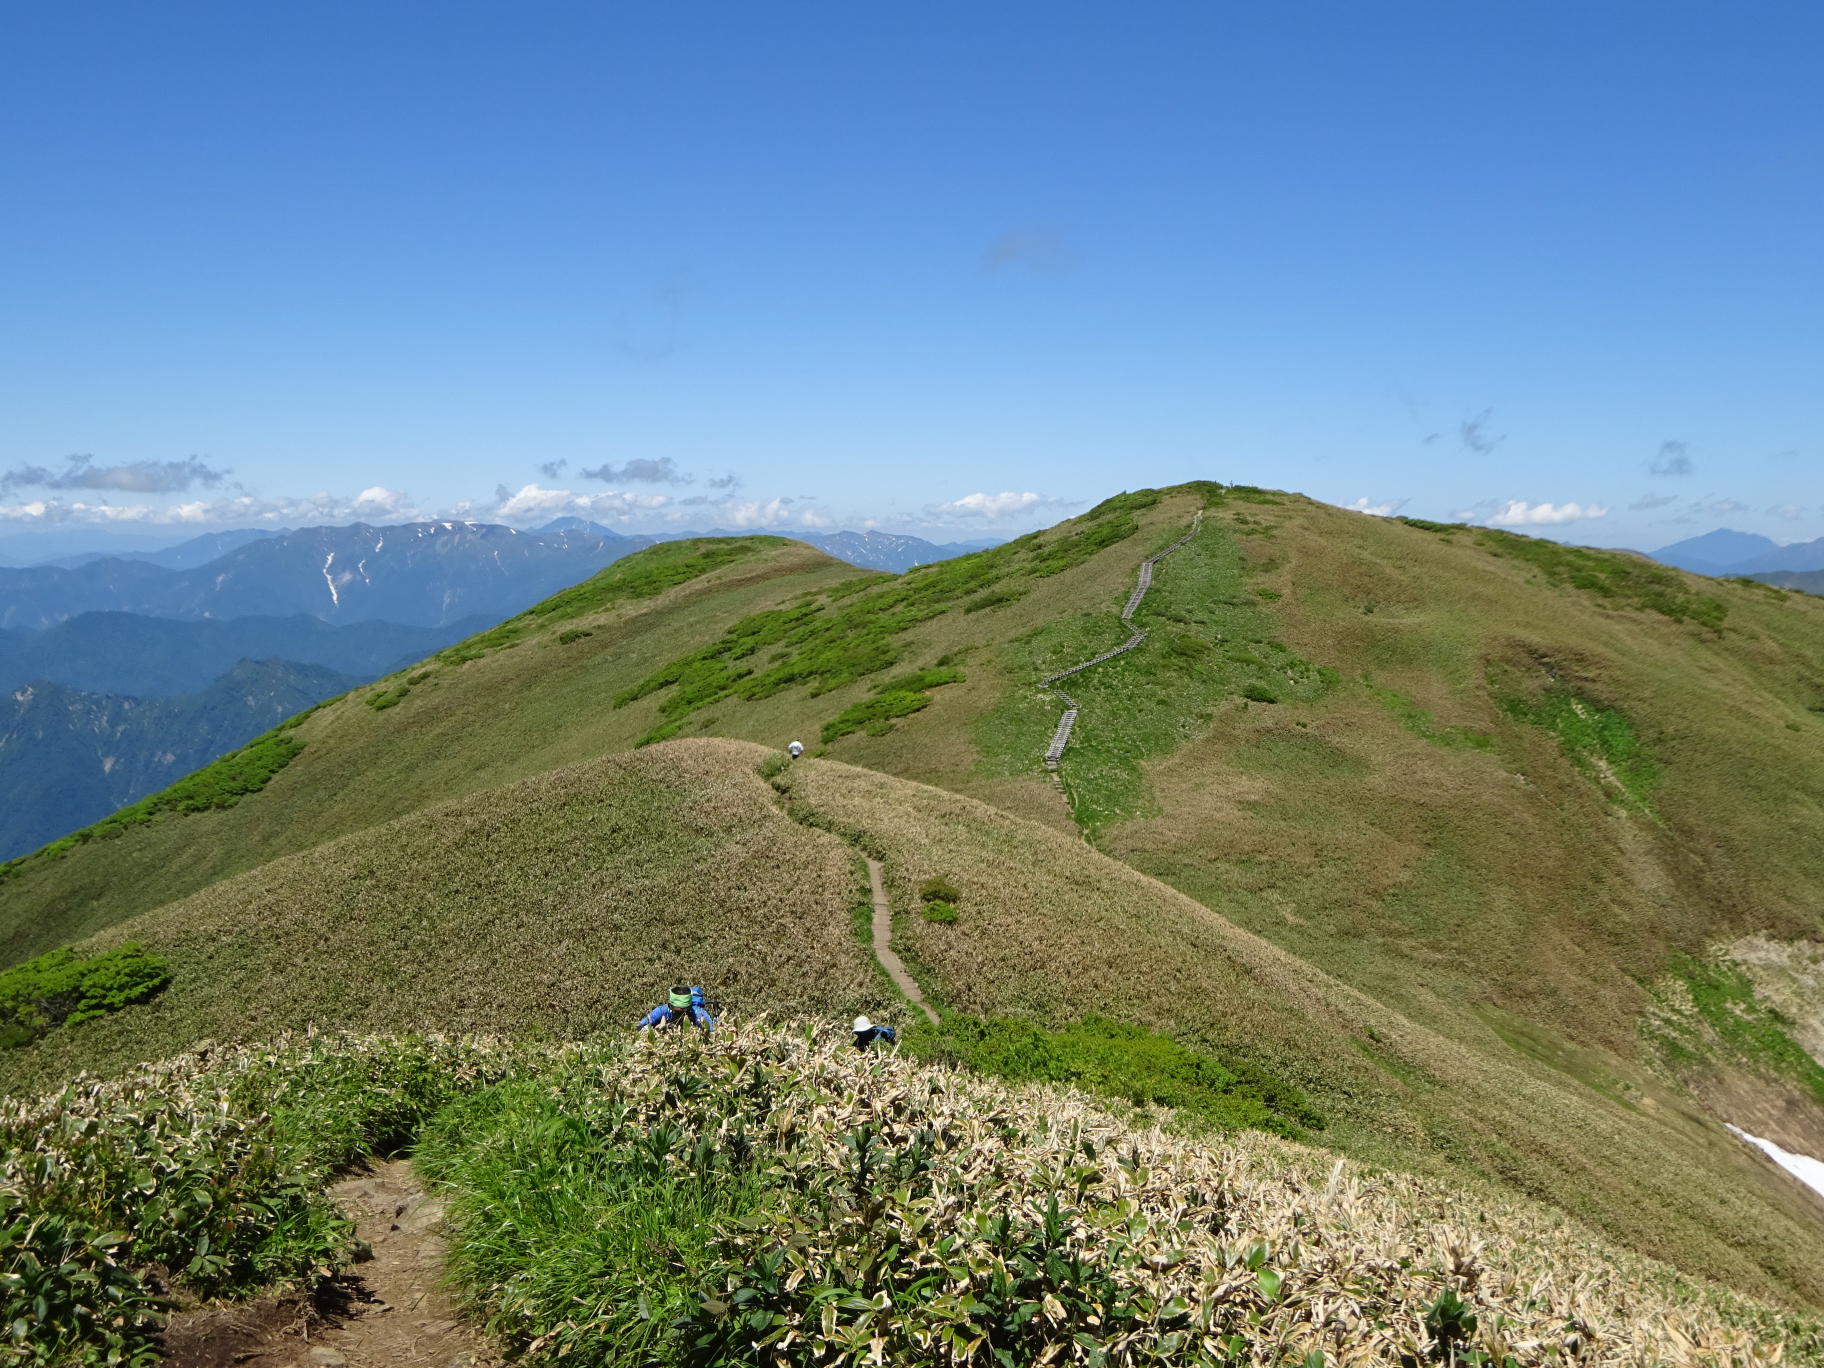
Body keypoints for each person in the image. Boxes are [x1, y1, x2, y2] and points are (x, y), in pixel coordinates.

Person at [640, 985, 714, 1034]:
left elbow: (711, 1030)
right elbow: (639, 1026)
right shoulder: (661, 1011)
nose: (680, 1015)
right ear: (669, 1006)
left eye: (684, 1011)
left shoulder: (697, 1012)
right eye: (676, 1011)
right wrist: (655, 1030)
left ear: (689, 1007)